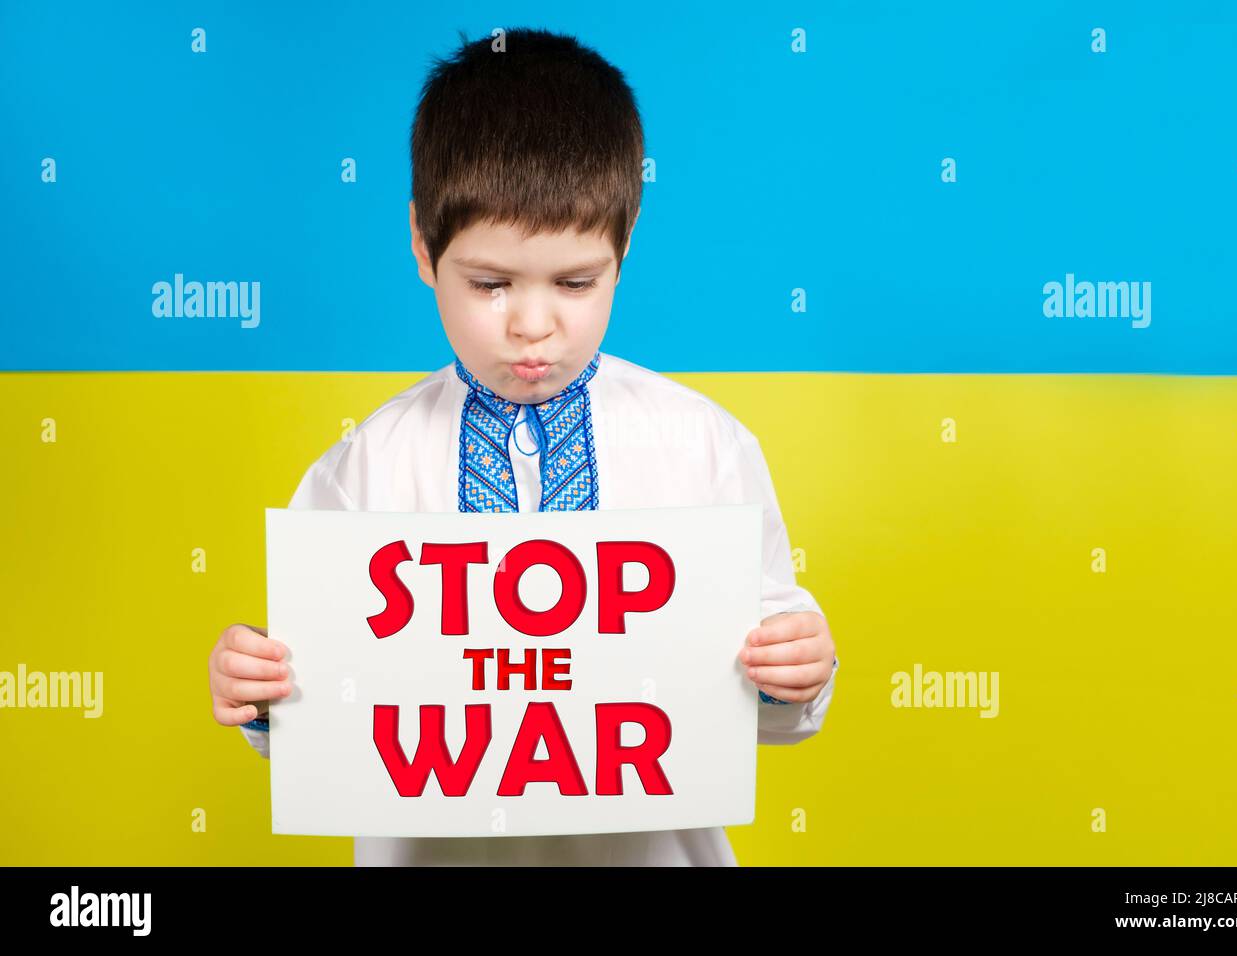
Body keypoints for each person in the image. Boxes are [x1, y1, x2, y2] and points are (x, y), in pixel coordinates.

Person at [207, 26, 838, 867]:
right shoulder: (364, 466)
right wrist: (262, 699)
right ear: (424, 249)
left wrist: (795, 667)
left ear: (625, 247)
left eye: (576, 283)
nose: (533, 325)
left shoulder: (704, 443)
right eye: (491, 284)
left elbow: (772, 710)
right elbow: (328, 724)